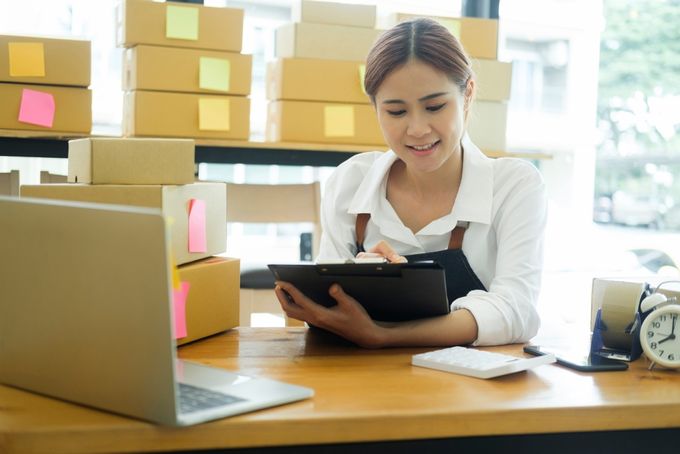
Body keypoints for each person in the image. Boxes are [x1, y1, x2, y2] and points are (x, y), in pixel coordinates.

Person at [274, 18, 547, 348]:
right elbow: (327, 312)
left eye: (434, 106)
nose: (417, 129)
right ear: (375, 107)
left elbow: (516, 311)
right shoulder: (350, 182)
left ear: (467, 94)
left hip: (473, 391)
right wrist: (357, 282)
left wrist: (384, 335)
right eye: (396, 112)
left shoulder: (514, 186)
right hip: (365, 386)